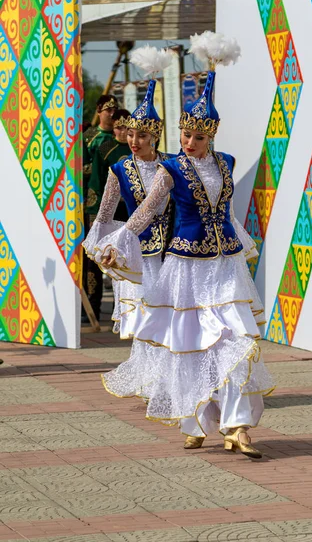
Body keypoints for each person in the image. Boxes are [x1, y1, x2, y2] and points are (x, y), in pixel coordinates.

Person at [89, 33, 273, 459]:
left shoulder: (225, 163)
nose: (189, 142)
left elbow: (227, 212)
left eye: (197, 137)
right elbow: (149, 210)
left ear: (211, 137)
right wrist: (119, 240)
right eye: (185, 135)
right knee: (192, 346)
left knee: (240, 342)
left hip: (225, 268)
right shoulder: (170, 168)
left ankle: (238, 426)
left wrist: (242, 243)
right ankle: (195, 417)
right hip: (187, 268)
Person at [83, 47, 175, 335]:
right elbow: (104, 214)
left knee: (171, 325)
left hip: (172, 252)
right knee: (143, 326)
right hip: (135, 253)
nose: (134, 141)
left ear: (155, 136)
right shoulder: (119, 168)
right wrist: (109, 248)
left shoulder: (172, 164)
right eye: (131, 134)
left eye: (142, 135)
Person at [82, 95, 119, 323]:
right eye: (108, 111)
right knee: (93, 257)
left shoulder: (120, 141)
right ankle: (92, 306)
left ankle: (119, 306)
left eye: (115, 111)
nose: (111, 115)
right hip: (93, 201)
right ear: (98, 111)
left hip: (119, 207)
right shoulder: (90, 138)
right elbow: (79, 166)